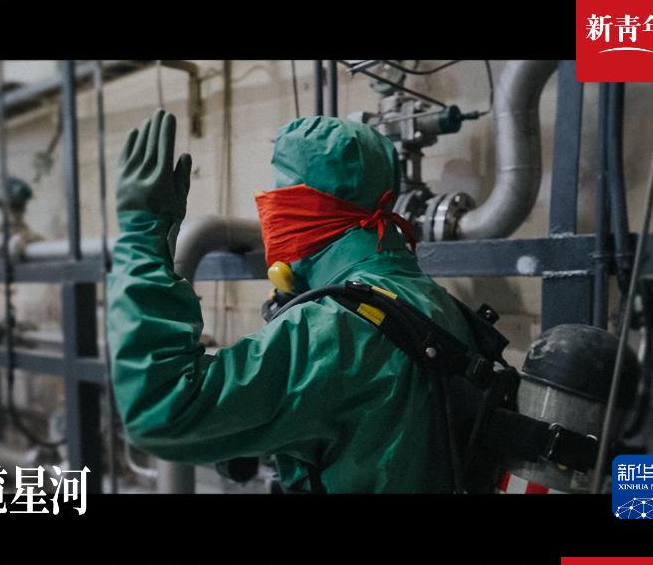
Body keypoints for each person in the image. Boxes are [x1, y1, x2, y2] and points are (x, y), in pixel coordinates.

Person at [107, 109, 477, 493]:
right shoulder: (436, 302)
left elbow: (162, 409)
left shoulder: (334, 330)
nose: (269, 214)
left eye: (281, 196)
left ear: (311, 207)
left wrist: (142, 243)